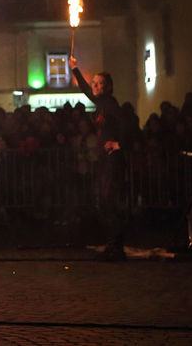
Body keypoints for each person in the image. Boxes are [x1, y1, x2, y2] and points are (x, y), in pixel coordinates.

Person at [69, 55, 126, 260]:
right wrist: (75, 69)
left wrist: (119, 144)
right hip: (104, 159)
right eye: (94, 83)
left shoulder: (110, 104)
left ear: (107, 86)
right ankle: (113, 244)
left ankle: (117, 246)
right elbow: (85, 89)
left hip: (113, 159)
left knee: (109, 200)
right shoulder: (100, 102)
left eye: (100, 83)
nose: (95, 86)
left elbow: (125, 126)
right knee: (103, 201)